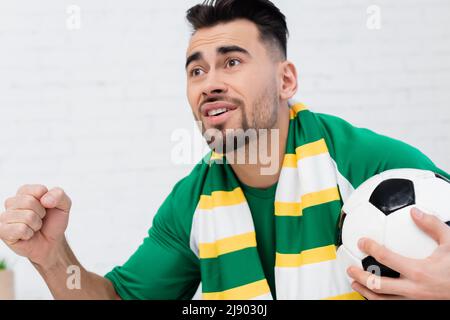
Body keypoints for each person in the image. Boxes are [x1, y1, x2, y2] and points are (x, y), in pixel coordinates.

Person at [1, 0, 449, 300]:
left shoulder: (363, 161)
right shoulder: (192, 201)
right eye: (196, 70)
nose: (210, 82)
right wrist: (51, 255)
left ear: (285, 80)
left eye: (232, 62)